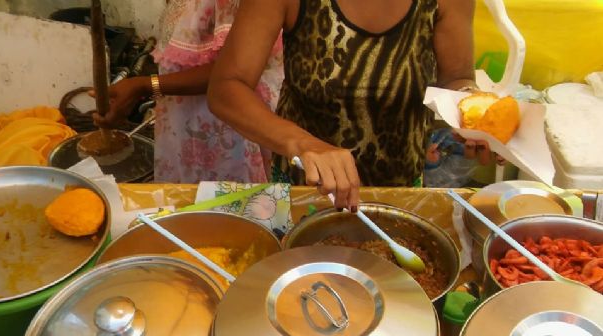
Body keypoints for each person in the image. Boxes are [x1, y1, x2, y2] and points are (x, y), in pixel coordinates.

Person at [208, 0, 490, 210]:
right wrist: (305, 144)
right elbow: (227, 86)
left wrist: (473, 111)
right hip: (307, 190)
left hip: (398, 192)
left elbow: (457, 77)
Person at [93, 0, 283, 183]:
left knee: (228, 207)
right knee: (190, 205)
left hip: (228, 134)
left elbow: (235, 70)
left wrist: (144, 86)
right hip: (189, 127)